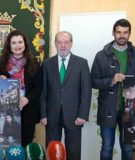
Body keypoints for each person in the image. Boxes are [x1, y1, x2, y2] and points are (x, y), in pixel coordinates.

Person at [91, 19, 135, 160]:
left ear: (129, 34)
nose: (122, 35)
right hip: (108, 108)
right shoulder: (101, 55)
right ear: (113, 33)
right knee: (107, 148)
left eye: (125, 32)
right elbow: (93, 81)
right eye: (119, 32)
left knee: (127, 149)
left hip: (131, 109)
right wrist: (111, 81)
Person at [40, 31, 91, 160]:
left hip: (74, 116)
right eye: (59, 42)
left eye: (66, 42)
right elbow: (43, 91)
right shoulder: (46, 64)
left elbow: (86, 91)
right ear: (55, 44)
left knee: (73, 152)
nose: (63, 45)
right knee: (52, 151)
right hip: (52, 116)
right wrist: (43, 114)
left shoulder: (81, 63)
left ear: (71, 44)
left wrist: (83, 115)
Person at [0, 30, 42, 147]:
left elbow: (39, 86)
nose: (17, 46)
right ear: (9, 45)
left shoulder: (34, 62)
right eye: (14, 43)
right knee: (8, 143)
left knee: (26, 144)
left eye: (20, 42)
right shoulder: (1, 63)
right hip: (7, 109)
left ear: (25, 44)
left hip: (27, 109)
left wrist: (28, 98)